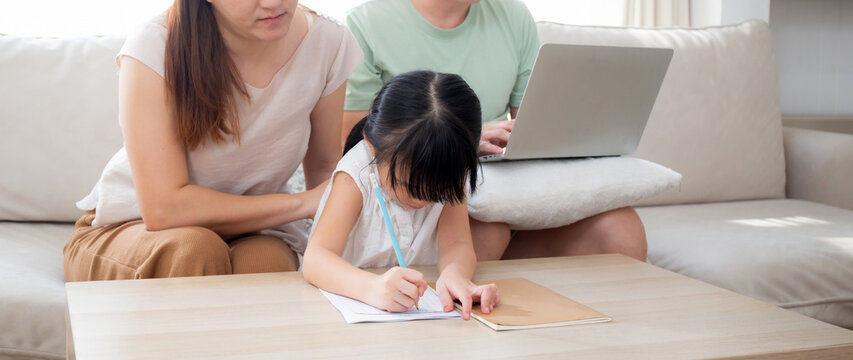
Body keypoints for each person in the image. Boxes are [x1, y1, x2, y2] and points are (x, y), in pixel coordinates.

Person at [63, 0, 363, 281]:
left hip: (252, 230)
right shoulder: (155, 43)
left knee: (266, 263)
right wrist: (300, 204)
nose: (272, 3)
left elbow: (325, 169)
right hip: (130, 228)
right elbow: (163, 210)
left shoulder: (328, 41)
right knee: (195, 248)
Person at [342, 0, 647, 261]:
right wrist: (461, 142)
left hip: (500, 183)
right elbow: (355, 144)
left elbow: (532, 127)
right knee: (488, 228)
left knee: (622, 231)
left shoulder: (512, 16)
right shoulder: (368, 24)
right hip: (431, 191)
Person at [303, 71, 499, 319]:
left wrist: (454, 274)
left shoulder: (450, 171)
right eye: (408, 186)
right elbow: (316, 259)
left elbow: (457, 244)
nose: (421, 200)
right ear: (372, 145)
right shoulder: (355, 174)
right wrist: (372, 288)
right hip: (337, 310)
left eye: (436, 193)